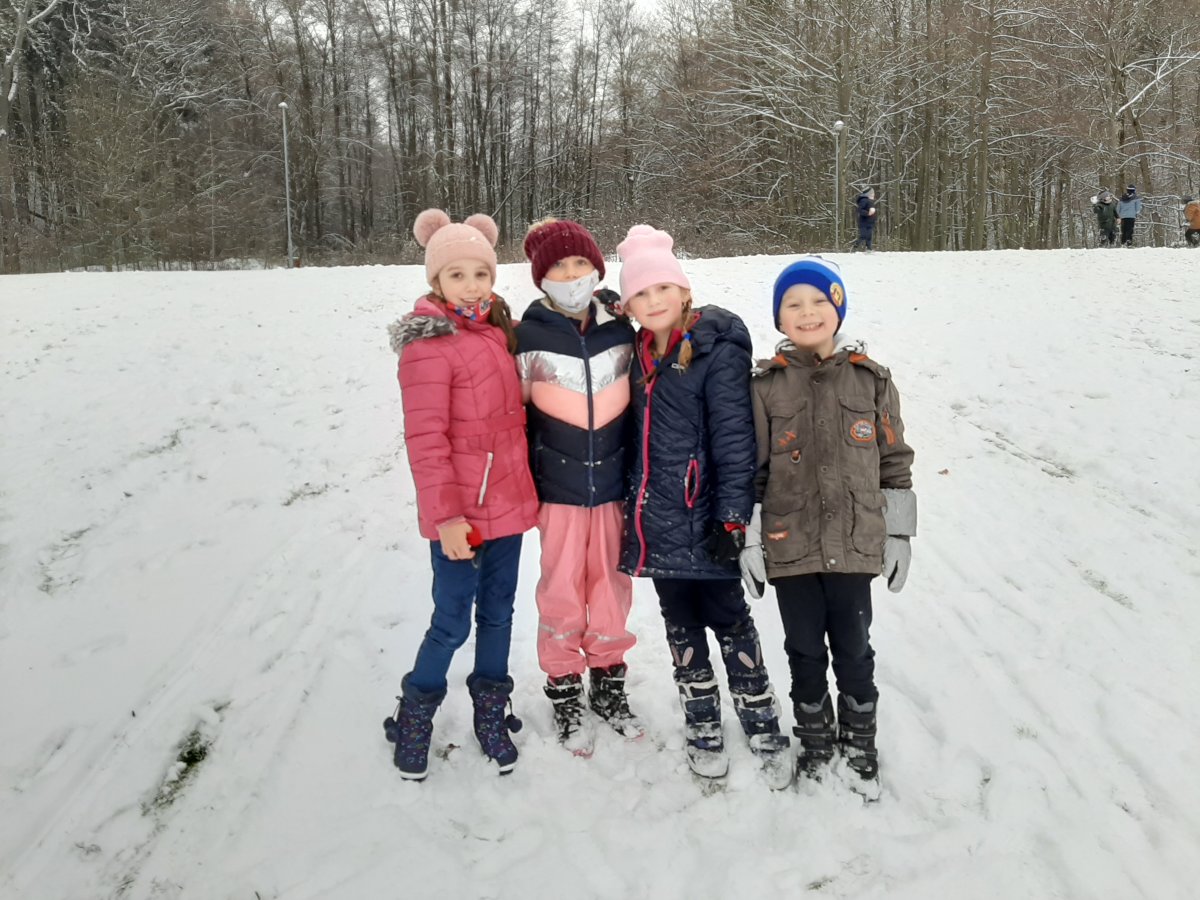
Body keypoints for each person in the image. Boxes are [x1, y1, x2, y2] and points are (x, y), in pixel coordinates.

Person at [616, 224, 792, 789]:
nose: (654, 301)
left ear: (684, 290)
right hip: (659, 520)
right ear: (629, 305)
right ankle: (702, 716)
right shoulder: (637, 353)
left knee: (729, 615)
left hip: (709, 515)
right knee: (680, 620)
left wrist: (733, 517)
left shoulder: (715, 347)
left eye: (663, 288)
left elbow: (735, 437)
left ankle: (759, 712)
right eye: (641, 294)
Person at [746, 256, 916, 796]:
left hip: (854, 540)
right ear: (779, 318)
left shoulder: (872, 379)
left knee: (854, 646)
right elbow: (752, 469)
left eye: (819, 301)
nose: (807, 312)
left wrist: (898, 532)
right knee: (803, 648)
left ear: (839, 310)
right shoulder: (765, 387)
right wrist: (749, 536)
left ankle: (860, 741)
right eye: (793, 304)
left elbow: (895, 461)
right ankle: (816, 741)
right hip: (789, 544)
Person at [383, 209, 539, 781]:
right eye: (457, 275)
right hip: (462, 517)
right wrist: (446, 517)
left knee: (499, 615)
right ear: (436, 280)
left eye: (481, 273)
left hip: (509, 505)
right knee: (451, 620)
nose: (471, 285)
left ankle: (490, 710)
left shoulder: (498, 331)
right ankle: (415, 713)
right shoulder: (428, 345)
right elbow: (426, 440)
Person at [515, 218, 642, 756]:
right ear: (541, 278)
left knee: (611, 587)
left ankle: (609, 683)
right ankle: (565, 688)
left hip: (613, 487)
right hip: (559, 491)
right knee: (562, 589)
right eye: (560, 267)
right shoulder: (527, 339)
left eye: (581, 264)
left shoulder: (621, 331)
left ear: (597, 269)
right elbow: (515, 416)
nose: (571, 276)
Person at [854, 187, 877, 252]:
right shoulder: (864, 200)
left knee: (869, 236)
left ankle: (869, 248)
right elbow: (860, 210)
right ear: (868, 193)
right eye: (872, 193)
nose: (873, 194)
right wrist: (867, 213)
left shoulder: (870, 201)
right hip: (864, 222)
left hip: (870, 221)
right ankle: (855, 246)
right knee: (863, 235)